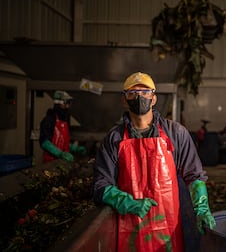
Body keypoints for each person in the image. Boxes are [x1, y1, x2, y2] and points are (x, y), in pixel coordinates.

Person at [92, 72, 216, 251]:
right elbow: (100, 185)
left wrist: (202, 208)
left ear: (154, 98)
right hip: (131, 227)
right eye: (132, 93)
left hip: (168, 227)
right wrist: (126, 202)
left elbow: (194, 175)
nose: (139, 97)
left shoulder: (176, 133)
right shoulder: (114, 139)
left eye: (145, 92)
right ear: (124, 100)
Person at [39, 90, 87, 163]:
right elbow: (44, 142)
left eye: (69, 103)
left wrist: (74, 148)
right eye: (66, 103)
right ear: (59, 103)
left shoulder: (64, 120)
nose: (68, 106)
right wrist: (60, 153)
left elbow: (62, 142)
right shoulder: (49, 120)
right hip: (50, 162)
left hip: (64, 162)